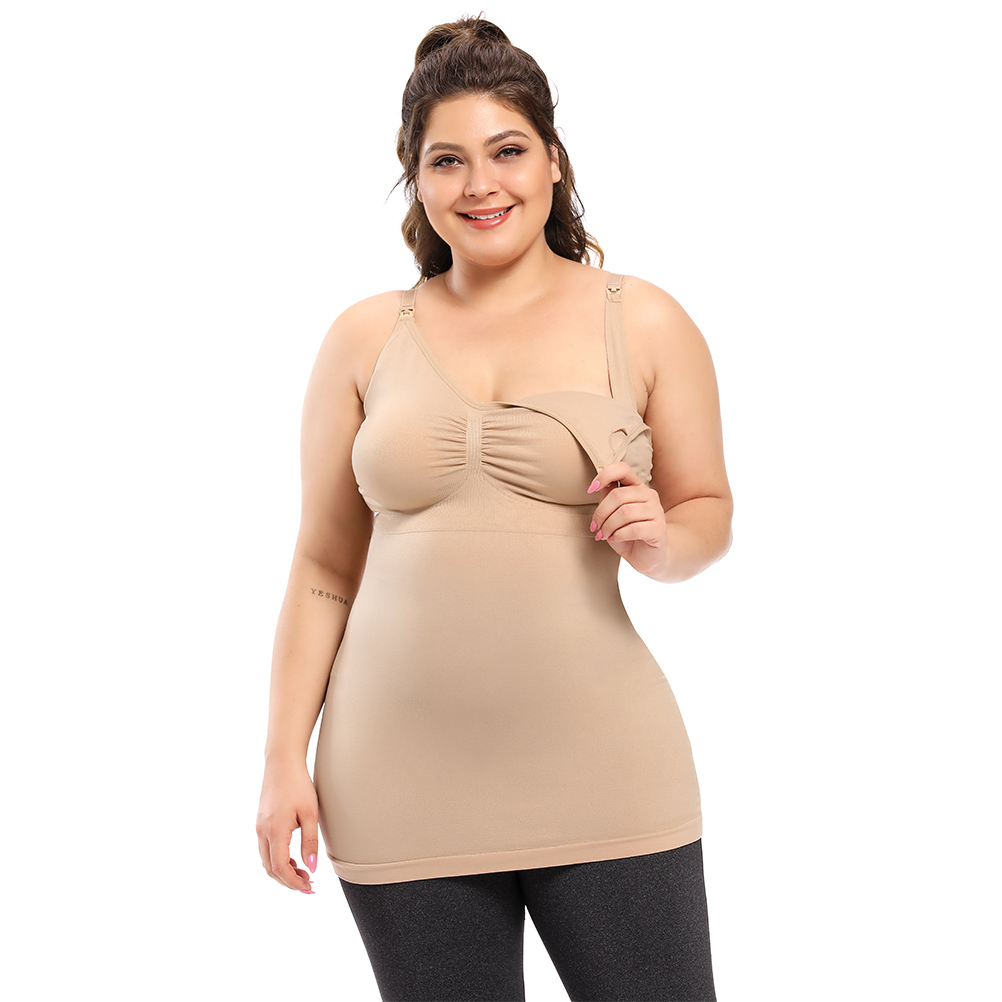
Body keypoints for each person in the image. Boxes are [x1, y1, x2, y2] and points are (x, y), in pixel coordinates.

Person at [256, 15, 733, 1001]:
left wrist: (663, 542)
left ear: (553, 159)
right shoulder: (362, 338)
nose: (481, 185)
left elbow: (706, 509)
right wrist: (281, 762)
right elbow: (323, 565)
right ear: (417, 182)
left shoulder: (643, 319)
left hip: (607, 766)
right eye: (447, 161)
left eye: (508, 151)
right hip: (393, 778)